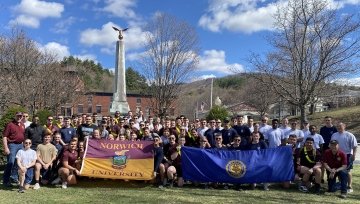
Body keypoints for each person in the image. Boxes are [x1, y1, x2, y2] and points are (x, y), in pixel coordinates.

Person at [331, 122, 357, 193]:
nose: (339, 127)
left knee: (347, 171)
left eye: (340, 126)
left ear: (344, 126)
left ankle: (349, 186)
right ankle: (342, 185)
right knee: (340, 170)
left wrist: (354, 155)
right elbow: (331, 145)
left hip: (347, 155)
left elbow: (355, 146)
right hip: (337, 155)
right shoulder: (334, 135)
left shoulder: (349, 135)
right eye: (338, 126)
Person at [2, 112, 25, 187]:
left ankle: (14, 177)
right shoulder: (10, 125)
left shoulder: (22, 125)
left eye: (20, 116)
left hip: (20, 145)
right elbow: (5, 136)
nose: (19, 117)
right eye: (18, 116)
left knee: (18, 162)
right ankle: (6, 180)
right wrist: (6, 147)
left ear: (22, 117)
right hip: (12, 145)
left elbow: (23, 136)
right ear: (15, 116)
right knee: (10, 162)